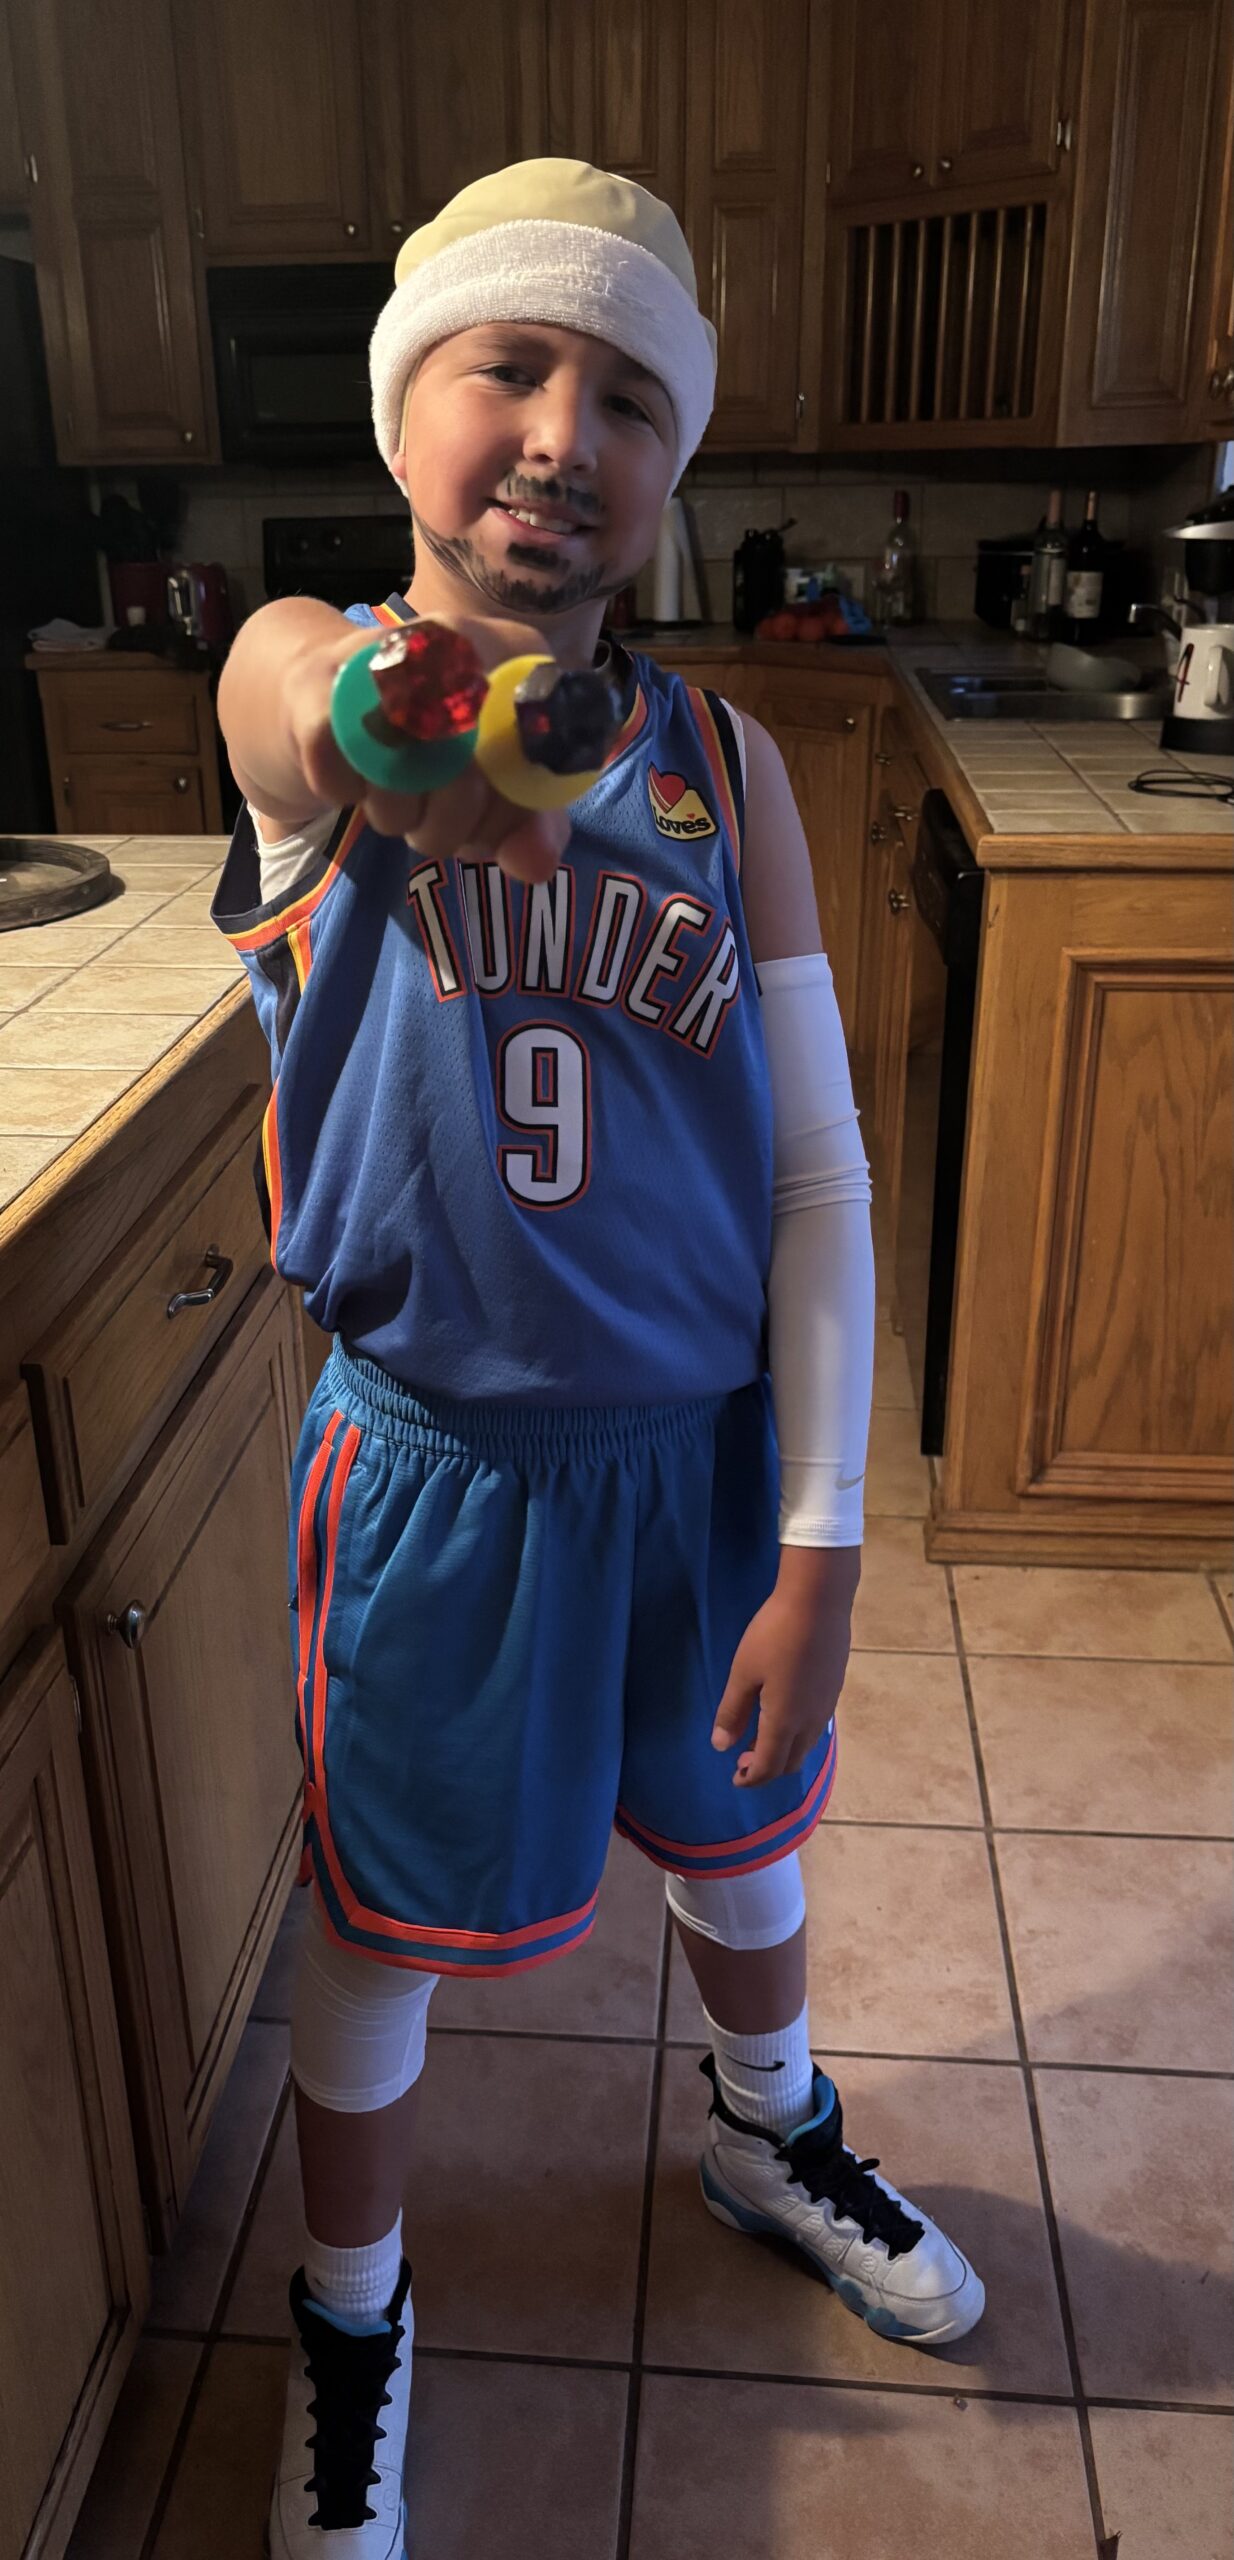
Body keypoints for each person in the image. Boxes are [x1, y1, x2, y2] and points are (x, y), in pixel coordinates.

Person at [214, 157, 984, 2560]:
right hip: (441, 1468)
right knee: (386, 1916)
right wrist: (378, 723)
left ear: (675, 468)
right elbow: (284, 684)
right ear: (402, 413)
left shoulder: (725, 772)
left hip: (698, 1457)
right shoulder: (326, 697)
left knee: (743, 1840)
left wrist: (822, 1544)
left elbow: (815, 1175)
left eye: (630, 398)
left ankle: (766, 2126)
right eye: (510, 368)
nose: (563, 432)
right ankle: (351, 2309)